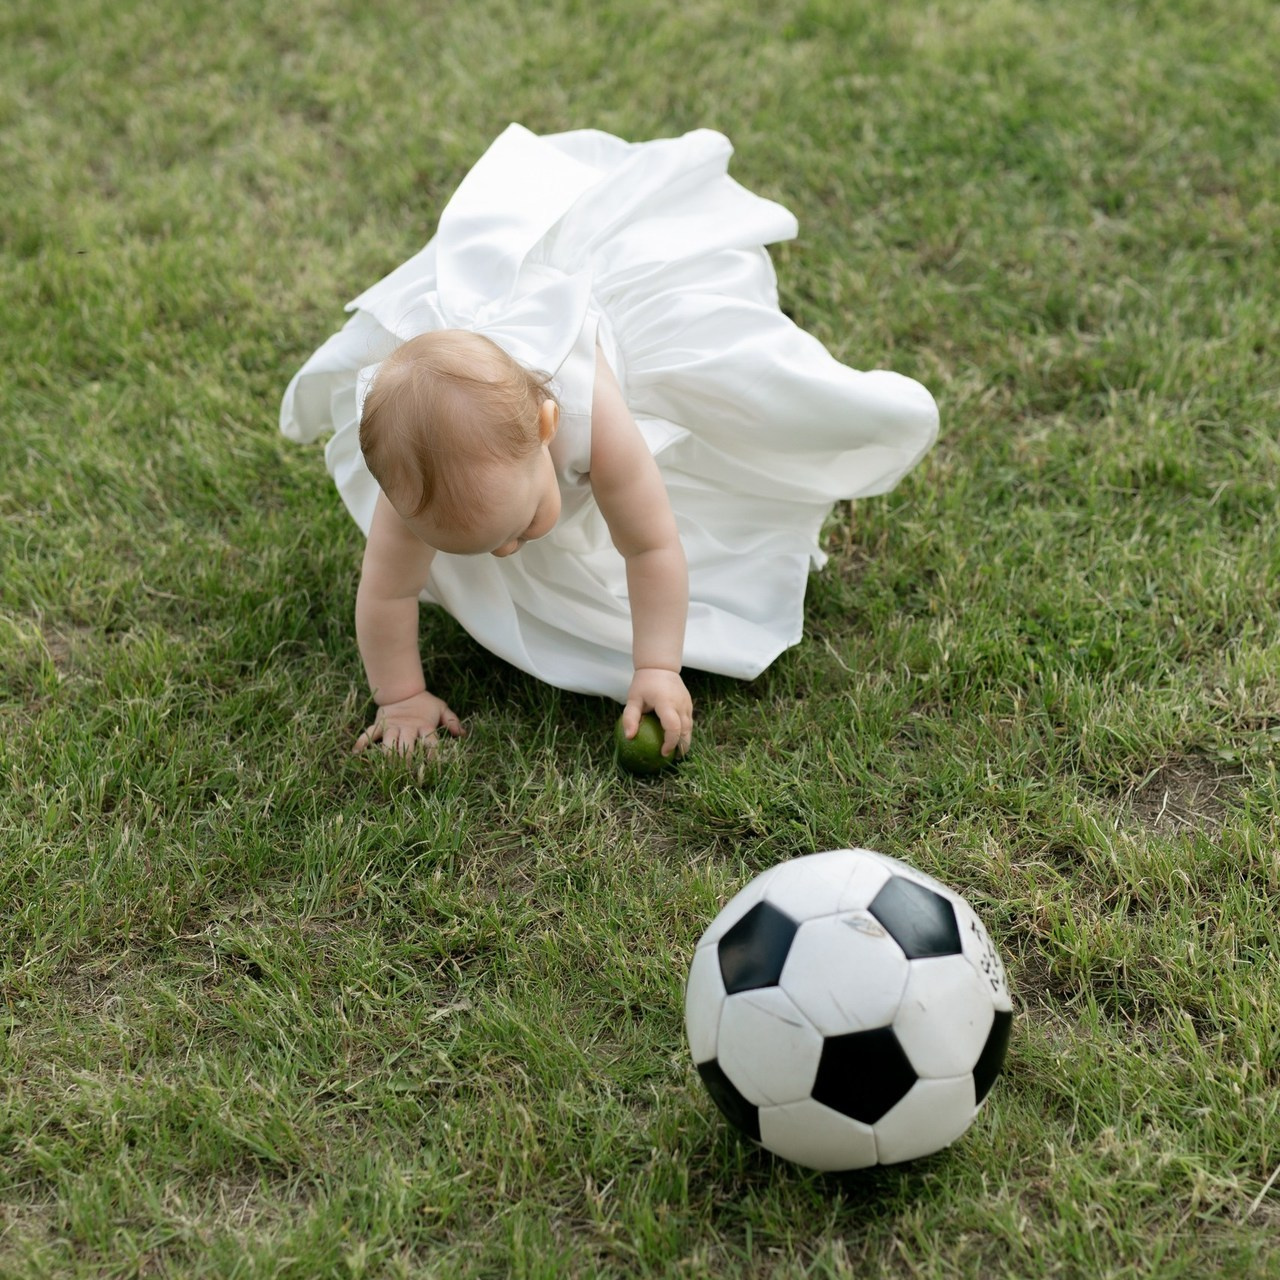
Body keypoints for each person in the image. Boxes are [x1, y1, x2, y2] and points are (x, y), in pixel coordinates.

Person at [280, 124, 939, 760]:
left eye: (519, 526)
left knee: (733, 415)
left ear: (546, 427)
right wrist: (400, 698)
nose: (506, 553)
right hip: (478, 409)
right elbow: (387, 593)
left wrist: (657, 666)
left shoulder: (592, 413)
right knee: (459, 515)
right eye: (483, 545)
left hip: (611, 325)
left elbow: (650, 544)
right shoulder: (414, 484)